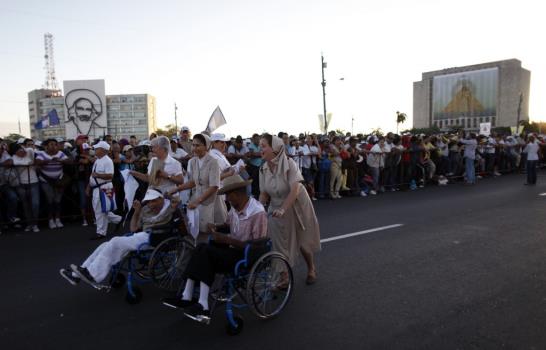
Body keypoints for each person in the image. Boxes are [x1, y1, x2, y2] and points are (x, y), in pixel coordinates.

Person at [162, 174, 267, 322]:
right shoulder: (236, 207)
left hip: (244, 256)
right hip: (232, 249)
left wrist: (227, 239)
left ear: (238, 194)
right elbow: (228, 224)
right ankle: (188, 296)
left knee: (206, 252)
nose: (227, 199)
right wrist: (216, 226)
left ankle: (202, 303)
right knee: (201, 248)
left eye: (229, 196)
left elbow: (257, 246)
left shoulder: (257, 212)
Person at [59, 189, 178, 286]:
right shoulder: (146, 209)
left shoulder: (169, 207)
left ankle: (93, 275)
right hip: (141, 236)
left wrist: (173, 200)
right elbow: (133, 229)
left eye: (153, 201)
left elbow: (176, 206)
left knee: (115, 241)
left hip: (156, 237)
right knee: (105, 245)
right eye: (149, 201)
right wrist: (137, 212)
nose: (150, 204)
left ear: (161, 199)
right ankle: (77, 275)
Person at [259, 134, 320, 284]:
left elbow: (295, 189)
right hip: (276, 206)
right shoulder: (263, 168)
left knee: (302, 241)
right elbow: (264, 193)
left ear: (275, 148)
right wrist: (258, 209)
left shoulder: (289, 163)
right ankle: (284, 276)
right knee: (278, 243)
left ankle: (311, 268)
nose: (260, 149)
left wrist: (283, 209)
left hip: (296, 205)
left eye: (264, 146)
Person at [169, 134, 223, 232]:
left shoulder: (213, 162)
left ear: (206, 147)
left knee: (207, 230)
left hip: (210, 202)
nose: (194, 148)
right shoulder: (193, 161)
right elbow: (193, 182)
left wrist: (198, 201)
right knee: (195, 230)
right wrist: (177, 189)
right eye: (193, 145)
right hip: (197, 200)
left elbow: (214, 186)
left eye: (198, 145)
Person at [86, 141, 122, 239]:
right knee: (102, 209)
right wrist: (89, 187)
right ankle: (118, 220)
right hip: (98, 187)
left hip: (104, 187)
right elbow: (93, 175)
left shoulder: (107, 161)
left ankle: (101, 232)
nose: (95, 150)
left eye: (97, 148)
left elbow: (110, 175)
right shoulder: (98, 160)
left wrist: (97, 175)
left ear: (103, 150)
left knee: (99, 210)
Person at [35, 139, 70, 229]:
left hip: (59, 181)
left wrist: (60, 160)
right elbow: (37, 162)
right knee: (50, 200)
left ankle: (57, 219)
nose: (54, 146)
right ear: (46, 146)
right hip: (46, 181)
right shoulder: (41, 154)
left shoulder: (60, 153)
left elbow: (69, 161)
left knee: (58, 201)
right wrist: (49, 160)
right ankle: (51, 220)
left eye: (55, 144)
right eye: (51, 144)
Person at [11, 143, 40, 232]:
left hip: (33, 182)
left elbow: (30, 150)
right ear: (15, 152)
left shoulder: (29, 153)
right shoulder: (13, 158)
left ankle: (35, 224)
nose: (22, 152)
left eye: (22, 149)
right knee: (26, 206)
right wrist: (27, 163)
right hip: (21, 184)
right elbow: (16, 163)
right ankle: (29, 224)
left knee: (35, 204)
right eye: (19, 151)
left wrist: (23, 148)